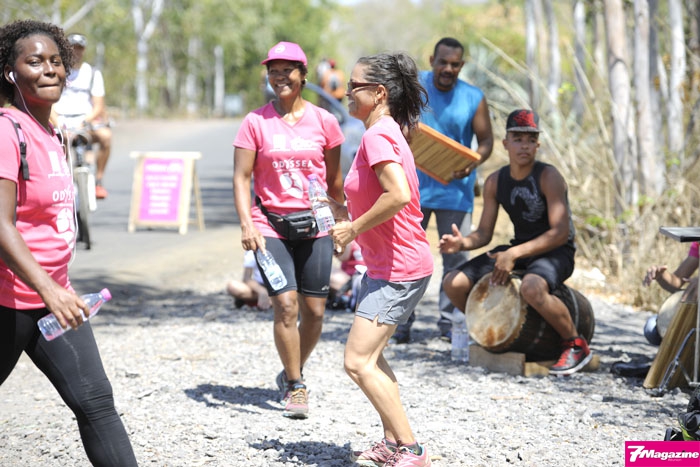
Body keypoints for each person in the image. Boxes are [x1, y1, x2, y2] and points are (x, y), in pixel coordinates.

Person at [0, 19, 137, 465]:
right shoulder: (6, 131)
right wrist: (49, 289)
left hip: (52, 299)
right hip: (10, 299)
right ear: (10, 73)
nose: (50, 69)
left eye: (56, 61)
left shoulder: (52, 133)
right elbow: (1, 224)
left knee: (96, 402)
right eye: (34, 61)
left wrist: (55, 290)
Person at [328, 52, 434, 466]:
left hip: (398, 269)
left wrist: (352, 229)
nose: (346, 92)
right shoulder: (384, 131)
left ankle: (411, 449)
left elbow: (399, 195)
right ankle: (392, 444)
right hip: (388, 266)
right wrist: (344, 211)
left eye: (354, 86)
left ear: (379, 93)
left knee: (357, 361)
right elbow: (381, 195)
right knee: (371, 358)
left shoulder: (377, 136)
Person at [232, 41, 345, 419]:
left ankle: (291, 368)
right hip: (270, 226)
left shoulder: (325, 122)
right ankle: (296, 385)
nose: (279, 77)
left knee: (314, 312)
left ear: (303, 75)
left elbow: (334, 180)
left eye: (287, 71)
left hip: (316, 226)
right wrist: (247, 223)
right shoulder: (255, 122)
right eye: (273, 71)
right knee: (285, 305)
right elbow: (241, 177)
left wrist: (343, 221)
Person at [440, 109, 592, 376]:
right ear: (505, 143)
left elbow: (560, 232)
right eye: (518, 139)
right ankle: (490, 331)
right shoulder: (495, 181)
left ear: (537, 145)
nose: (524, 145)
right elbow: (484, 233)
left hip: (556, 251)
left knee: (531, 288)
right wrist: (461, 243)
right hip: (520, 248)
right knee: (453, 283)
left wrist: (513, 254)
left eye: (530, 140)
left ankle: (575, 344)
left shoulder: (548, 176)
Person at [393, 36, 494, 344]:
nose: (448, 69)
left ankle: (450, 325)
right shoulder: (414, 86)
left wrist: (474, 161)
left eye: (455, 64)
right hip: (412, 188)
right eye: (443, 63)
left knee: (456, 259)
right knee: (406, 255)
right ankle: (399, 323)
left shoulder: (473, 97)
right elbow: (391, 120)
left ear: (461, 65)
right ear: (432, 61)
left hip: (456, 189)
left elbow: (486, 141)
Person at [52, 32, 112, 199]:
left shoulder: (92, 73)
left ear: (83, 50)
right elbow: (49, 102)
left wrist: (84, 122)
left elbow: (99, 105)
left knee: (106, 137)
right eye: (72, 48)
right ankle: (60, 184)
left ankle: (98, 181)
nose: (76, 52)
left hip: (85, 120)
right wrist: (57, 123)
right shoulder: (56, 71)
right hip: (60, 119)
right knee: (61, 142)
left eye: (79, 48)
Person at [326, 239, 366, 311]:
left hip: (364, 277)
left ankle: (348, 295)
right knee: (323, 269)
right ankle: (347, 294)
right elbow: (343, 257)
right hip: (348, 277)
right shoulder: (352, 238)